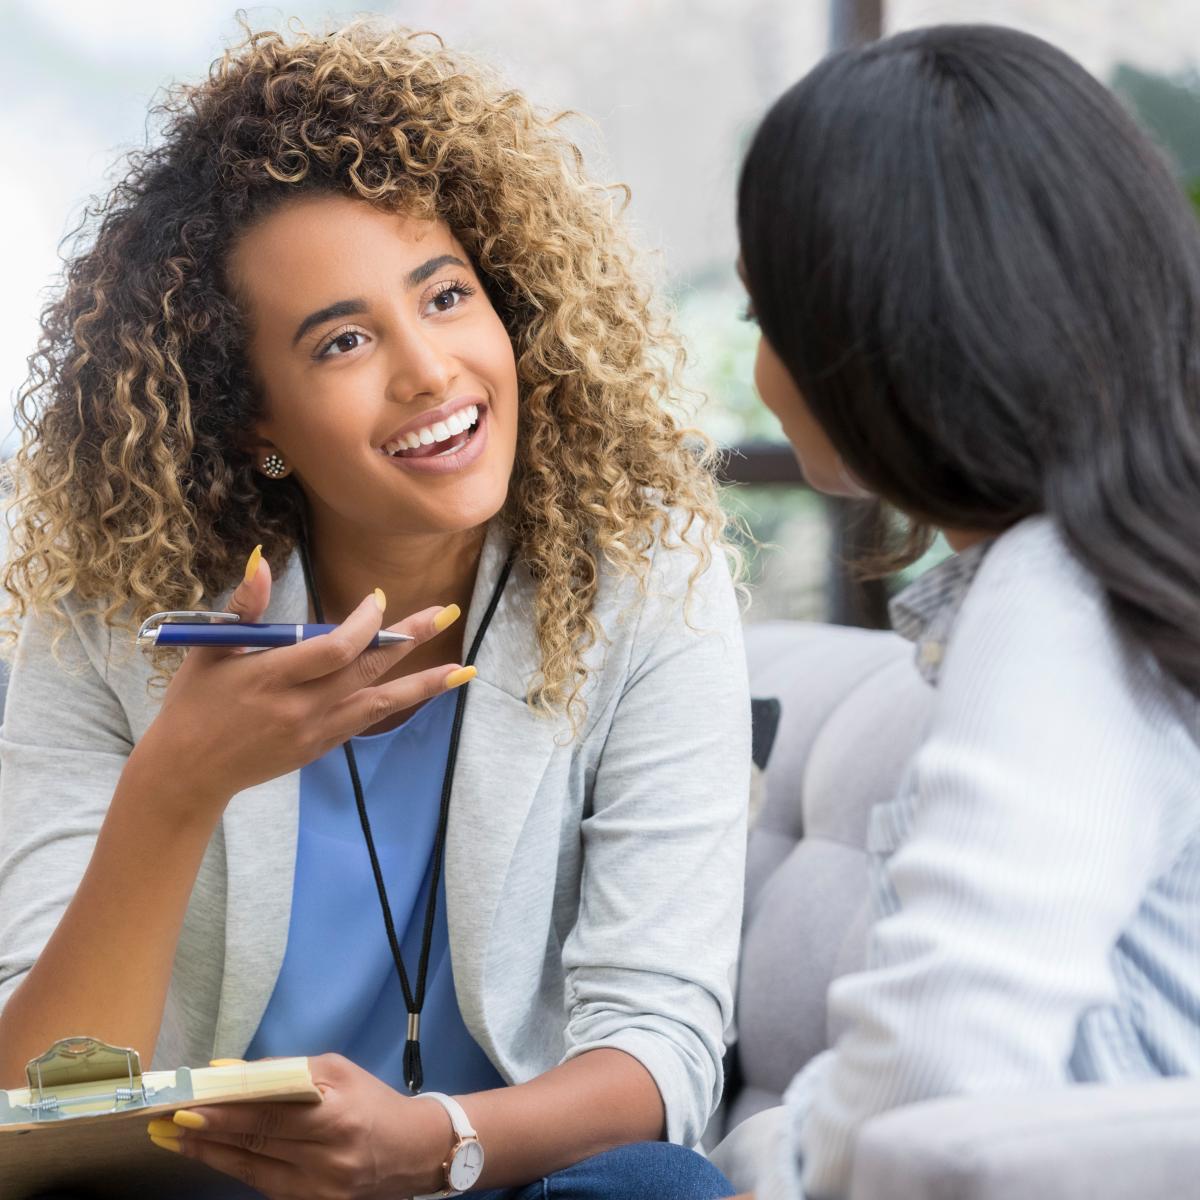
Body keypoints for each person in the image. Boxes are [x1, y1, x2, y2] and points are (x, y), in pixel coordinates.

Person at [0, 21, 750, 1200]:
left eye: (446, 296)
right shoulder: (108, 623)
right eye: (344, 340)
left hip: (502, 1173)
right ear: (253, 423)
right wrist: (177, 784)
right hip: (225, 1186)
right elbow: (36, 1122)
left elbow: (661, 1047)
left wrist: (438, 1138)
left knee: (660, 1188)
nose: (432, 372)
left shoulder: (644, 578)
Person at [724, 23, 1200, 1200]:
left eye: (762, 321)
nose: (760, 376)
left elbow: (935, 1082)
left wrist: (745, 1163)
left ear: (874, 341)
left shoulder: (1059, 602)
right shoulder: (1115, 573)